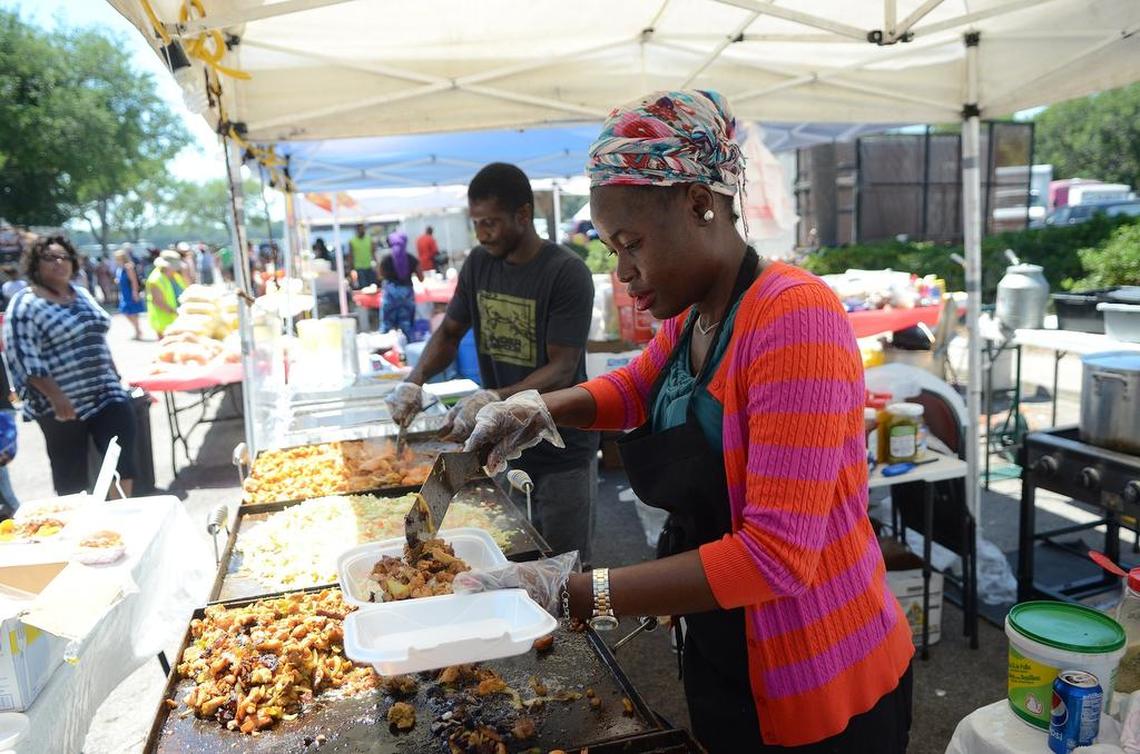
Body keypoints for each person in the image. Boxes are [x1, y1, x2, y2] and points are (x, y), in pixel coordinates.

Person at [454, 92, 914, 753]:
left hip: (821, 673)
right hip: (724, 646)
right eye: (613, 248)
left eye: (632, 243)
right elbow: (632, 389)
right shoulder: (693, 320)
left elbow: (777, 557)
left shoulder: (793, 317)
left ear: (700, 204)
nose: (624, 272)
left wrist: (577, 592)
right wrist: (535, 409)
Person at [386, 162, 599, 562]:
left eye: (491, 223)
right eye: (476, 224)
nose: (482, 234)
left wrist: (492, 398)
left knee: (563, 569)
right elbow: (449, 331)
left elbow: (562, 369)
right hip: (498, 450)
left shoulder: (566, 273)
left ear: (523, 215)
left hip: (560, 450)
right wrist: (413, 382)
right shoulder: (479, 264)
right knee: (508, 560)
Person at [3, 236, 137, 496]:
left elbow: (96, 334)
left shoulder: (82, 293)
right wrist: (56, 396)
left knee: (121, 458)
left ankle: (123, 514)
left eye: (64, 257)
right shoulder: (25, 305)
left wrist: (113, 369)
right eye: (49, 258)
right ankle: (79, 528)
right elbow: (23, 357)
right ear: (34, 264)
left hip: (105, 392)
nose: (59, 263)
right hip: (60, 406)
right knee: (71, 476)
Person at [379, 231, 422, 340]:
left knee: (387, 330)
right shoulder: (412, 259)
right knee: (407, 328)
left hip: (390, 296)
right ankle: (408, 352)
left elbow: (380, 275)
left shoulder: (386, 259)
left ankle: (389, 353)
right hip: (407, 296)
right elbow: (421, 278)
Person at [146, 249, 186, 337]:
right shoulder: (156, 279)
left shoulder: (175, 276)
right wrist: (177, 312)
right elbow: (158, 302)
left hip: (178, 321)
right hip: (164, 324)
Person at [114, 247, 145, 340]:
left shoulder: (128, 267)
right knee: (126, 312)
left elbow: (134, 281)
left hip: (130, 292)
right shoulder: (120, 268)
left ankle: (138, 331)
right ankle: (137, 330)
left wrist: (135, 293)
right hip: (124, 292)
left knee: (131, 312)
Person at [349, 224, 377, 289]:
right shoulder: (352, 241)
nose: (361, 230)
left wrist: (376, 265)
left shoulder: (369, 239)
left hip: (369, 266)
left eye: (362, 228)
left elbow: (373, 252)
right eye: (359, 229)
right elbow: (350, 255)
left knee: (372, 286)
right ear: (357, 230)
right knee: (363, 287)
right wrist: (351, 269)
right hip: (359, 268)